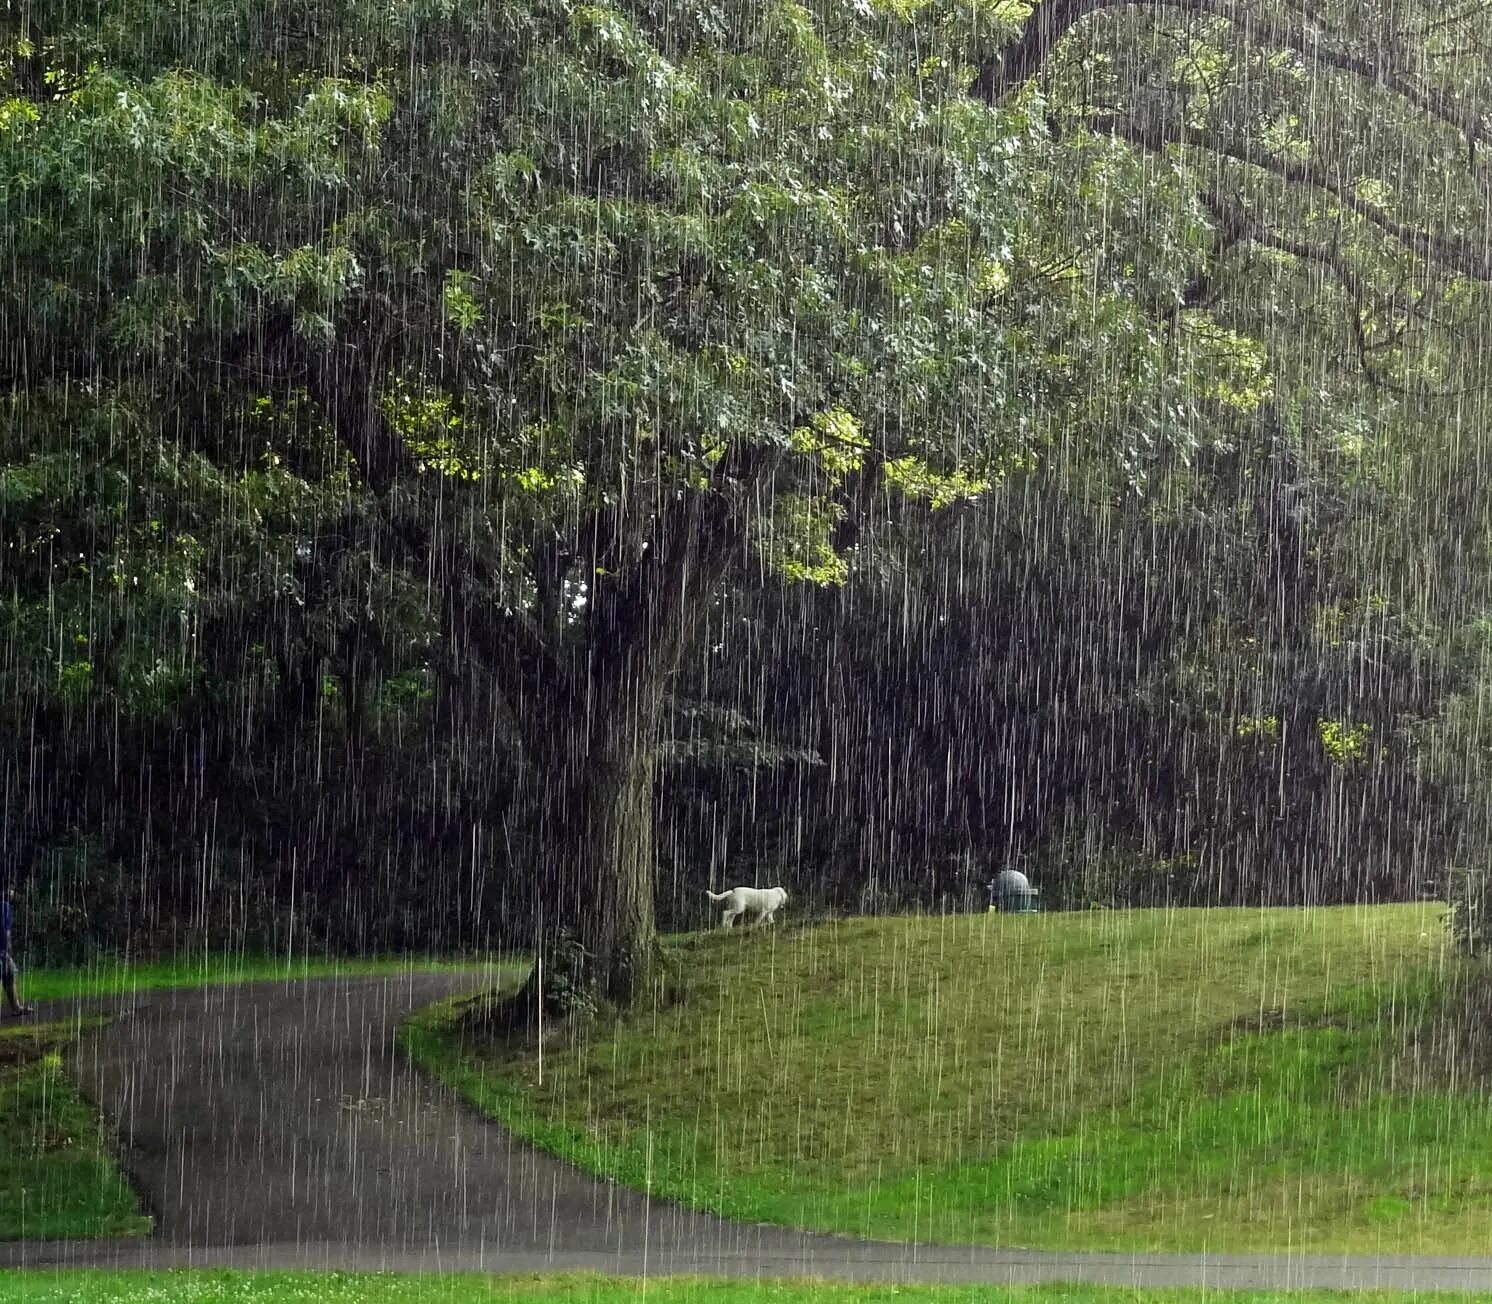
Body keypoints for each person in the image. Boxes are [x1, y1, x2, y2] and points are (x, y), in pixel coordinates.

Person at [1, 883, 33, 1017]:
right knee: (10, 975)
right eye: (12, 889)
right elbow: (6, 931)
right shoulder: (5, 907)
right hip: (2, 950)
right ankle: (16, 1008)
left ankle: (16, 1007)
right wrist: (8, 949)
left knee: (10, 974)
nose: (13, 892)